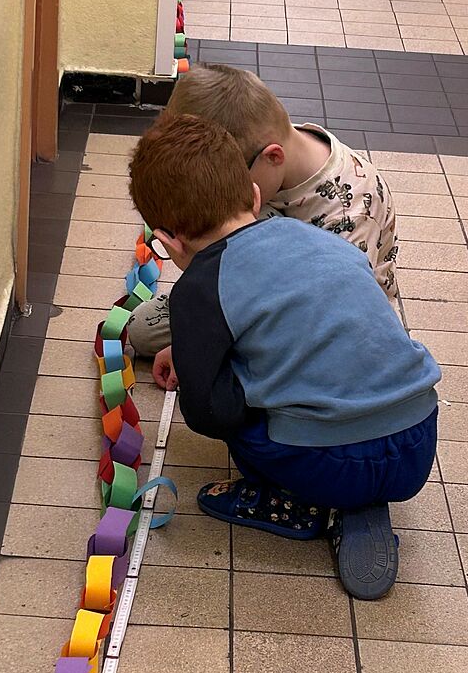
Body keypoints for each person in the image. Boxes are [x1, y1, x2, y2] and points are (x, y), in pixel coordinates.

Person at [128, 113, 441, 600]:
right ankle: (355, 494)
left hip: (329, 464)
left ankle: (294, 501)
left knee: (239, 409)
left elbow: (209, 414)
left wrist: (199, 360)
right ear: (255, 196)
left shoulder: (199, 289)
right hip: (417, 443)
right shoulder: (323, 238)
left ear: (169, 242)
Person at [128, 63, 398, 367]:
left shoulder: (348, 213)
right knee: (142, 328)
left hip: (322, 325)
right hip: (254, 287)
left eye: (231, 179)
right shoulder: (261, 145)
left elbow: (336, 317)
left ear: (272, 157)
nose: (221, 190)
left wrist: (201, 348)